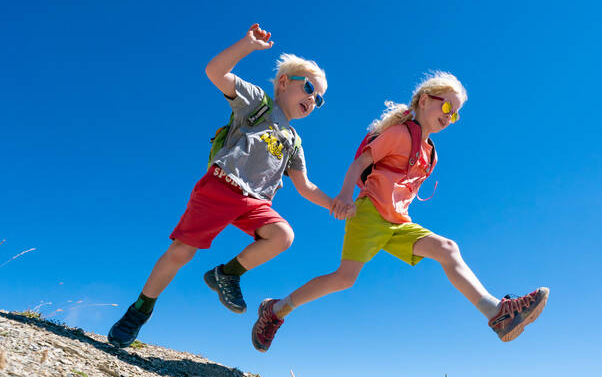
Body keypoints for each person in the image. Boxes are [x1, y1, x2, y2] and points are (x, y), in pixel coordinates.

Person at [251, 71, 549, 351]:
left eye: (454, 113)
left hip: (398, 224)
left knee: (448, 249)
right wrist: (344, 196)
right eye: (446, 106)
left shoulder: (430, 152)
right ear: (424, 100)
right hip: (369, 216)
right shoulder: (400, 134)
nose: (449, 115)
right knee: (344, 278)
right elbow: (360, 164)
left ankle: (497, 312)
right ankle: (276, 309)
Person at [108, 23, 346, 348]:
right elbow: (215, 71)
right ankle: (140, 309)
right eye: (308, 88)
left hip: (256, 203)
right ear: (283, 83)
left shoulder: (294, 141)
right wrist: (247, 45)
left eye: (319, 100)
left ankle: (228, 274)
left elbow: (304, 186)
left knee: (282, 236)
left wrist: (334, 203)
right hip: (221, 186)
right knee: (181, 252)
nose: (312, 99)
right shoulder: (257, 103)